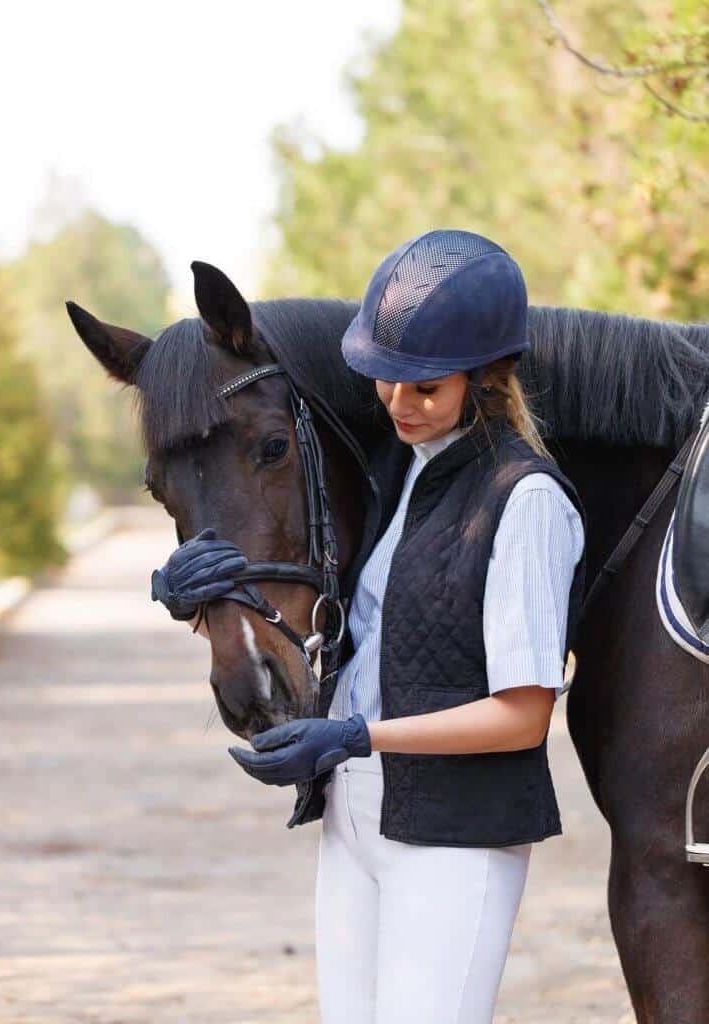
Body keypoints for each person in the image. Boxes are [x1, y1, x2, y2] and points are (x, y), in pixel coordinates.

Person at [153, 229, 586, 1023]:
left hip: (452, 833)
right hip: (353, 817)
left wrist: (358, 736)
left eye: (424, 388)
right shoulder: (393, 477)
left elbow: (522, 719)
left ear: (486, 377)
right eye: (387, 382)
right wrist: (191, 589)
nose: (399, 404)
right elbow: (315, 588)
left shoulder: (523, 501)